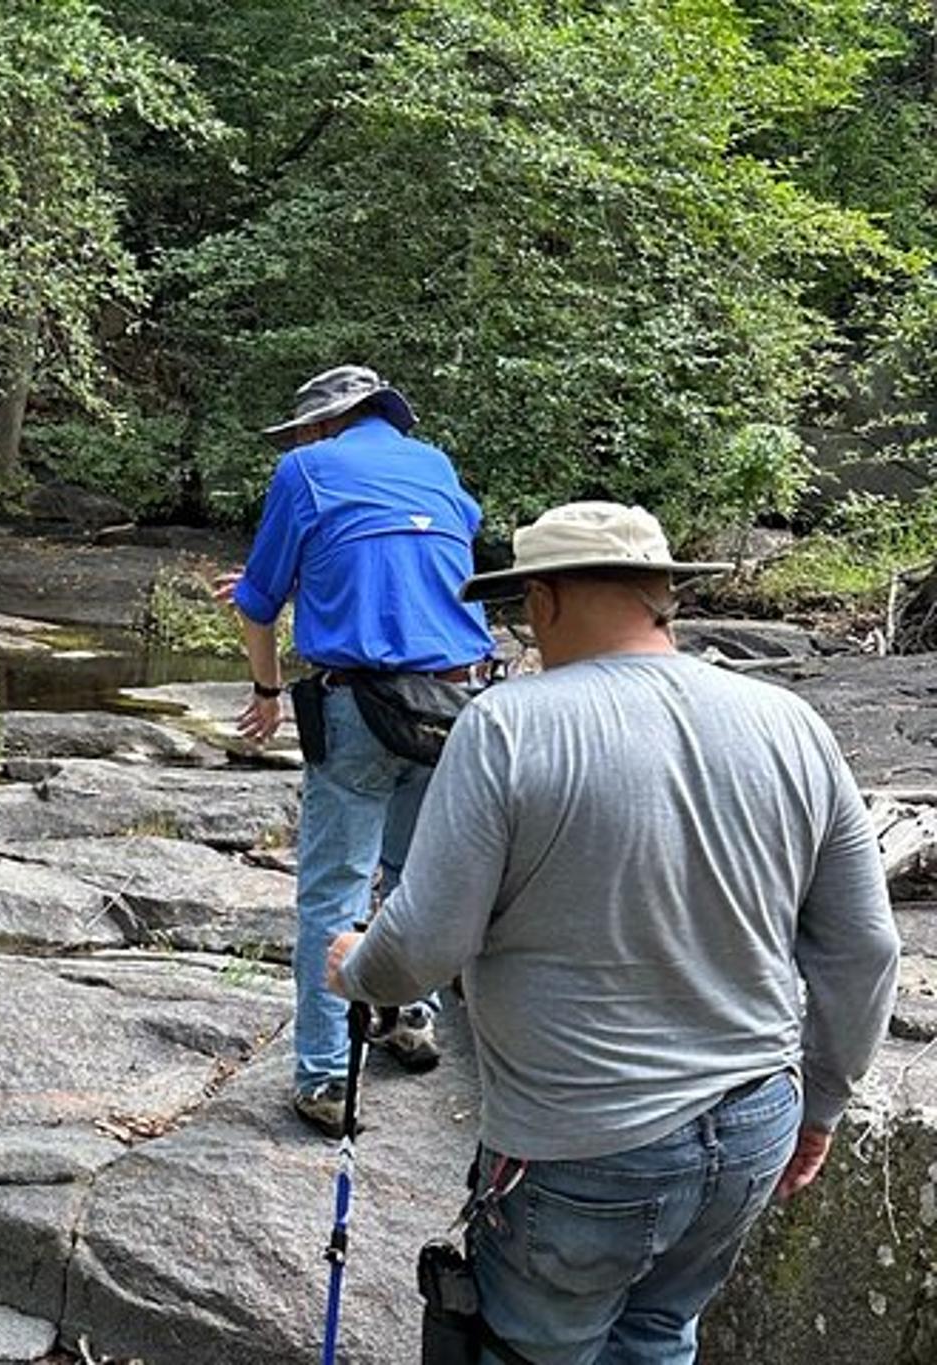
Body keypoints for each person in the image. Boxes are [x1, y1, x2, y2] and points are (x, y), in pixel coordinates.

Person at [327, 501, 901, 1364]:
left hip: (582, 1143)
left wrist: (355, 970)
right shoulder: (792, 725)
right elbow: (864, 949)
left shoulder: (506, 725)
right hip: (754, 1122)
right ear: (662, 594)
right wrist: (822, 1102)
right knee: (662, 1334)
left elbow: (422, 947)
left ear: (547, 600)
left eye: (523, 607)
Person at [220, 364, 497, 1137]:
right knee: (421, 873)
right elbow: (420, 568)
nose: (301, 438)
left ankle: (324, 1075)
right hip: (453, 702)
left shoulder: (304, 469)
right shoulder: (435, 464)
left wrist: (269, 694)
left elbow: (257, 604)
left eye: (304, 427)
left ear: (321, 424)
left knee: (334, 891)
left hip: (360, 702)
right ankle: (412, 1017)